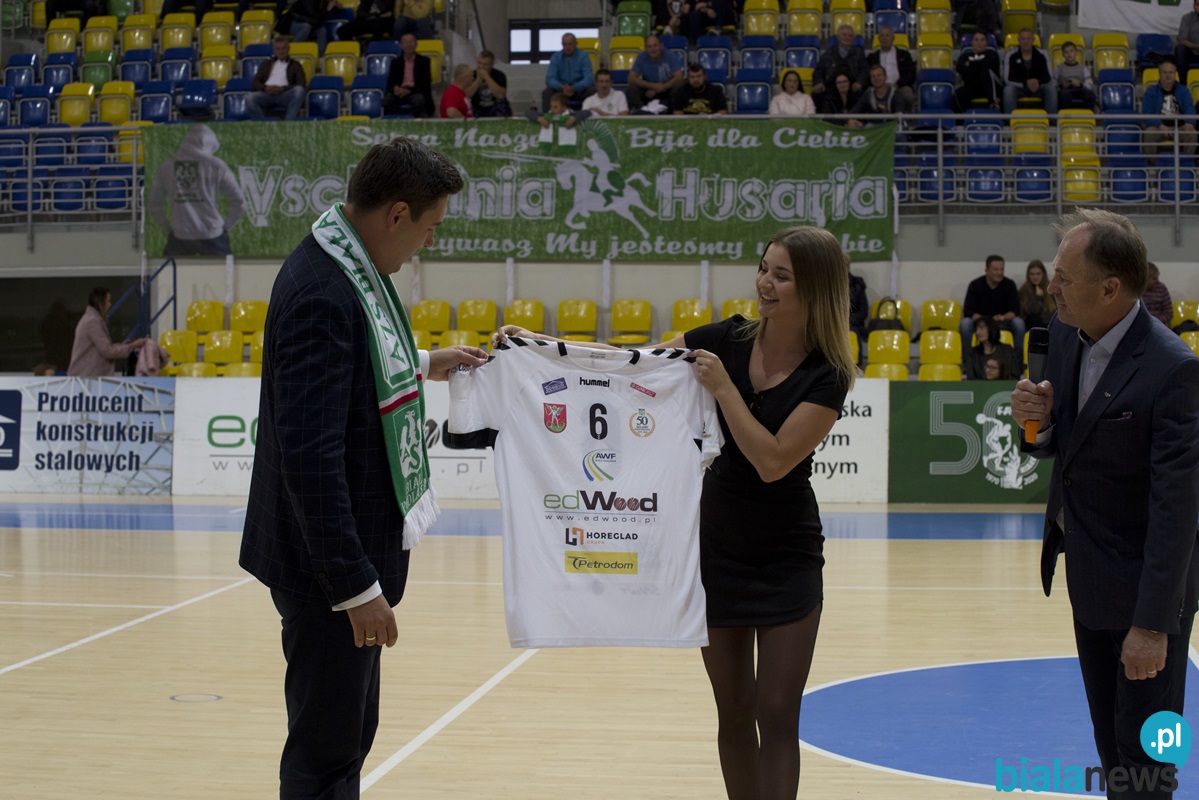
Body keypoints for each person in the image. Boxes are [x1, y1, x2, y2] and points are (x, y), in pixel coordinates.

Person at [493, 226, 856, 800]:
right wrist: (537, 343)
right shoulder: (726, 338)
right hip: (714, 549)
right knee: (733, 710)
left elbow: (772, 461)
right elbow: (629, 364)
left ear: (815, 287)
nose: (764, 282)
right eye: (764, 268)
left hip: (787, 555)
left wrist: (725, 391)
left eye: (782, 275)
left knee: (777, 713)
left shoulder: (829, 372)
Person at [240, 137, 487, 800]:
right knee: (326, 757)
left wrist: (424, 363)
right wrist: (354, 586)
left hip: (335, 562)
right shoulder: (323, 292)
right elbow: (310, 457)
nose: (428, 242)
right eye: (430, 227)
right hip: (326, 572)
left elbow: (353, 366)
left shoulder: (341, 262)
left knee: (346, 740)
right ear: (396, 213)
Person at [1011, 208, 1199, 798]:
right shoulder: (1066, 333)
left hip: (1149, 602)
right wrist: (1037, 424)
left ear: (1110, 288)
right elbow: (1064, 450)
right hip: (1090, 584)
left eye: (1065, 278)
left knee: (1151, 767)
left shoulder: (1174, 370)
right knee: (1113, 753)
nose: (1051, 287)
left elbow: (1177, 513)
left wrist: (1152, 626)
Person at [147, 124, 246, 257]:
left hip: (180, 235)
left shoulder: (167, 166)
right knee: (222, 271)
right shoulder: (217, 165)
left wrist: (168, 227)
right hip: (213, 235)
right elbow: (240, 203)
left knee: (171, 270)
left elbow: (154, 205)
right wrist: (225, 227)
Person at [66, 287, 148, 377]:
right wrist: (131, 346)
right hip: (86, 378)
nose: (110, 304)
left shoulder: (92, 319)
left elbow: (106, 347)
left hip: (88, 377)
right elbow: (107, 351)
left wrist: (127, 345)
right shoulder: (92, 322)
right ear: (101, 303)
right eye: (108, 301)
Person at [961, 254, 1024, 354]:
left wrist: (1003, 317)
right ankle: (968, 358)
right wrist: (985, 320)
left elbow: (1015, 311)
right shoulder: (975, 285)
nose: (1000, 273)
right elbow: (968, 310)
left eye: (1002, 269)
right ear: (987, 270)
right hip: (981, 322)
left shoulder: (1010, 285)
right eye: (996, 270)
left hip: (1002, 322)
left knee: (1019, 323)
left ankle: (1017, 359)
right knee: (965, 324)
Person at [1141, 58, 1198, 157]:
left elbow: (1189, 108)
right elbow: (1147, 113)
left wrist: (1189, 122)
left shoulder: (1184, 90)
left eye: (1171, 72)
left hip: (1179, 127)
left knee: (1191, 133)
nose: (1168, 75)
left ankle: (1186, 164)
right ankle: (1153, 165)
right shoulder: (1150, 92)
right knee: (1149, 134)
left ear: (1175, 74)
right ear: (1160, 74)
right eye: (1165, 72)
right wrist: (1161, 126)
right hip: (1158, 127)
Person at [247, 38, 307, 121]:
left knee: (299, 90)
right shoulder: (266, 64)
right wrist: (265, 88)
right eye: (278, 49)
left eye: (283, 48)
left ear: (288, 49)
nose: (281, 51)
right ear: (274, 50)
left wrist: (283, 88)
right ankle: (263, 124)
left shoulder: (295, 65)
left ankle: (288, 124)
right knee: (249, 97)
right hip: (267, 94)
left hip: (285, 95)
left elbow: (301, 84)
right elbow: (255, 83)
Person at [811, 25, 867, 108]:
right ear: (838, 37)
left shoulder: (859, 53)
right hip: (831, 88)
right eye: (844, 35)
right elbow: (818, 71)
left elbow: (865, 70)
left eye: (850, 36)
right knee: (817, 94)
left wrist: (859, 82)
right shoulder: (828, 53)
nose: (847, 37)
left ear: (853, 39)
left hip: (852, 87)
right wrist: (819, 82)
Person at [1003, 28, 1056, 114]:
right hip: (1019, 88)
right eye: (1023, 39)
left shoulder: (1043, 54)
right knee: (1008, 90)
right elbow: (1007, 79)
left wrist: (1038, 82)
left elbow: (1048, 77)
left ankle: (1052, 120)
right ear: (1018, 40)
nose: (1025, 42)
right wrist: (1026, 83)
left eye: (1028, 39)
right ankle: (1010, 120)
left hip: (1039, 88)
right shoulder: (1010, 55)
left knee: (1051, 89)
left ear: (1033, 40)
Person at [865, 27, 916, 114]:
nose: (885, 38)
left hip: (899, 87)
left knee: (907, 93)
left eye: (887, 35)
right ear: (879, 39)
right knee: (867, 93)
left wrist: (898, 84)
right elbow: (868, 74)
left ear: (893, 38)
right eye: (882, 36)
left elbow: (911, 73)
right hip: (878, 88)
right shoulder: (872, 57)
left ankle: (907, 118)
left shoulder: (904, 55)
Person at [628, 34, 684, 112]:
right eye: (649, 47)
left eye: (655, 45)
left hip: (667, 88)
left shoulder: (670, 56)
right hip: (648, 89)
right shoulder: (641, 57)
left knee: (679, 88)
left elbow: (679, 77)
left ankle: (674, 112)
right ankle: (640, 111)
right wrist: (653, 86)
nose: (653, 49)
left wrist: (663, 87)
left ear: (661, 46)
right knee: (632, 89)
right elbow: (631, 78)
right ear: (645, 48)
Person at [383, 32, 433, 117]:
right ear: (401, 45)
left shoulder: (424, 61)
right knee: (386, 101)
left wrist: (408, 90)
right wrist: (395, 89)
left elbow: (425, 84)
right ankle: (396, 120)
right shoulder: (395, 62)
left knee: (419, 99)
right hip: (399, 93)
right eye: (405, 42)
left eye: (411, 42)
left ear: (416, 44)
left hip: (415, 92)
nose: (408, 45)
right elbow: (390, 84)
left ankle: (416, 121)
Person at [542, 33, 594, 111]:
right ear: (562, 44)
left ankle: (590, 116)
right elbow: (550, 79)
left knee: (592, 91)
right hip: (561, 89)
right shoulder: (556, 57)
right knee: (547, 92)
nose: (567, 47)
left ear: (576, 44)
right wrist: (561, 87)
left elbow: (589, 79)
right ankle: (548, 117)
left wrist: (574, 87)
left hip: (579, 90)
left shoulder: (583, 56)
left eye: (570, 44)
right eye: (565, 44)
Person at [954, 30, 1001, 112]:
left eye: (982, 40)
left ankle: (993, 103)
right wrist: (979, 66)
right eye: (976, 40)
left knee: (985, 71)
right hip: (973, 86)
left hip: (992, 87)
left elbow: (988, 65)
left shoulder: (992, 54)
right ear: (972, 42)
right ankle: (968, 116)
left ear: (986, 42)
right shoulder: (964, 56)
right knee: (959, 93)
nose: (979, 43)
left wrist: (970, 64)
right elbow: (960, 68)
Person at [963, 315, 1017, 380]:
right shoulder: (972, 353)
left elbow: (1014, 376)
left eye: (981, 328)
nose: (977, 332)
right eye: (976, 329)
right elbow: (971, 378)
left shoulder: (1007, 350)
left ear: (991, 329)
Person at [1054, 40, 1096, 112]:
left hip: (1080, 89)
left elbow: (1090, 83)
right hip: (1065, 90)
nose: (1069, 54)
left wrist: (1080, 85)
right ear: (1063, 54)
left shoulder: (1083, 68)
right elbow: (1052, 84)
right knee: (1064, 95)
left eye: (1071, 51)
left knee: (1090, 95)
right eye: (1066, 52)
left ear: (1076, 53)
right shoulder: (1059, 68)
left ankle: (1086, 116)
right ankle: (1066, 116)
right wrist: (1061, 85)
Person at [466, 50, 510, 118]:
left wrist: (487, 77)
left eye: (485, 64)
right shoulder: (472, 75)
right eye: (479, 63)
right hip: (477, 107)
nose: (481, 66)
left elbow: (501, 95)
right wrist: (478, 80)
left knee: (502, 103)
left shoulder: (499, 75)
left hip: (495, 106)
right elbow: (467, 94)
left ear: (491, 64)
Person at [1018, 258, 1057, 330]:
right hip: (1031, 325)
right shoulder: (1023, 290)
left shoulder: (1051, 288)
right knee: (1034, 317)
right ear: (1028, 275)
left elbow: (1055, 311)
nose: (1035, 277)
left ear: (1043, 274)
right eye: (1032, 274)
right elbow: (1026, 313)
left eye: (1038, 274)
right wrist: (1037, 298)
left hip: (1049, 323)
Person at [1142, 262, 1174, 327]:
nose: (1157, 281)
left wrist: (1154, 321)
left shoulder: (1161, 288)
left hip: (1159, 325)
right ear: (1146, 279)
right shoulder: (1136, 290)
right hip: (1141, 324)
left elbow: (1169, 312)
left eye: (1157, 277)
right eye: (1154, 278)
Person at [1176, 0, 1199, 76]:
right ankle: (1183, 82)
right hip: (1191, 52)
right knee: (1180, 49)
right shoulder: (1187, 18)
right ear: (1194, 6)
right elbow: (1182, 39)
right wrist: (1196, 45)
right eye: (1198, 5)